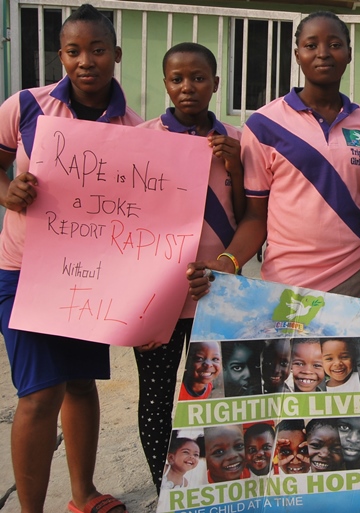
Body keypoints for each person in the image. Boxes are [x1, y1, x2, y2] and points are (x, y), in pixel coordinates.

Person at [0, 5, 141, 513]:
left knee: (81, 383)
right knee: (40, 393)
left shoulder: (133, 127)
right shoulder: (25, 106)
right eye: (75, 51)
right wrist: (7, 191)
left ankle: (82, 495)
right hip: (26, 272)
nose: (86, 61)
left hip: (91, 275)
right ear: (60, 55)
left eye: (98, 49)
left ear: (115, 55)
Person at [186, 10, 360, 303]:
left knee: (338, 352)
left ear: (349, 54)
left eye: (334, 44)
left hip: (354, 274)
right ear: (297, 55)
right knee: (290, 352)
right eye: (311, 45)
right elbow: (257, 215)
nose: (323, 53)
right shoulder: (264, 125)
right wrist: (228, 261)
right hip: (286, 279)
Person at [135, 41, 244, 489]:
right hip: (158, 293)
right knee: (158, 396)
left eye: (198, 78)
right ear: (165, 84)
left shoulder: (234, 141)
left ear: (215, 84)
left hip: (215, 291)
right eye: (177, 79)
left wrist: (233, 164)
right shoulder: (142, 138)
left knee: (210, 396)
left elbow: (247, 214)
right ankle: (166, 488)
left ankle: (206, 486)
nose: (188, 87)